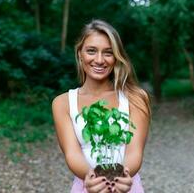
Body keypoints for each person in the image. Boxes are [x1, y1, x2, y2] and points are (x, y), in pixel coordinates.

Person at [52, 19, 151, 193]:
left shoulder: (136, 98)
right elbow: (72, 153)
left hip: (126, 186)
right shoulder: (62, 103)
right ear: (80, 54)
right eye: (91, 51)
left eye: (108, 52)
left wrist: (122, 177)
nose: (99, 60)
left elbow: (135, 151)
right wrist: (91, 178)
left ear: (116, 57)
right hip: (87, 187)